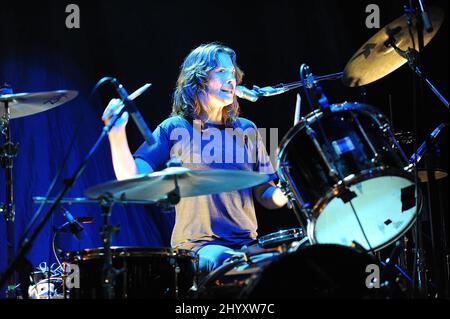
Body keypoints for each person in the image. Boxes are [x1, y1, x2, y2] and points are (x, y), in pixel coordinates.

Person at [102, 42, 288, 276]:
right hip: (199, 250)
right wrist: (116, 134)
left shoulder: (248, 129)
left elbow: (266, 194)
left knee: (287, 264)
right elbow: (131, 177)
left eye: (232, 73)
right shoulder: (174, 128)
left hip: (247, 246)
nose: (231, 79)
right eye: (221, 72)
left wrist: (285, 192)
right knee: (226, 260)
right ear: (197, 78)